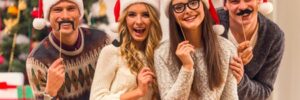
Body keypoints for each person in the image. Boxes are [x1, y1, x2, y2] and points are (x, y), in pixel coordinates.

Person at [154, 0, 238, 99]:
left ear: (204, 6)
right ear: (172, 15)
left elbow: (230, 97)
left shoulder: (227, 48)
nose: (188, 10)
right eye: (179, 7)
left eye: (193, 3)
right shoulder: (162, 52)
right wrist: (187, 67)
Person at [26, 0, 110, 99]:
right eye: (57, 10)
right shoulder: (37, 60)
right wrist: (50, 91)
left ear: (80, 13)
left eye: (71, 8)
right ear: (48, 16)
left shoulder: (102, 41)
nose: (65, 16)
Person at [90, 0, 162, 99]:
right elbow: (96, 98)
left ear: (153, 20)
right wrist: (138, 92)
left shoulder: (158, 54)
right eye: (132, 15)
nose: (139, 21)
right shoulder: (111, 52)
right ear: (124, 19)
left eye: (145, 15)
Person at [218, 0, 284, 99]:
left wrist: (241, 80)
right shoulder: (211, 23)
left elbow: (264, 91)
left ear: (259, 1)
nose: (243, 7)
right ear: (225, 5)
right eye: (235, 1)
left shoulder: (274, 36)